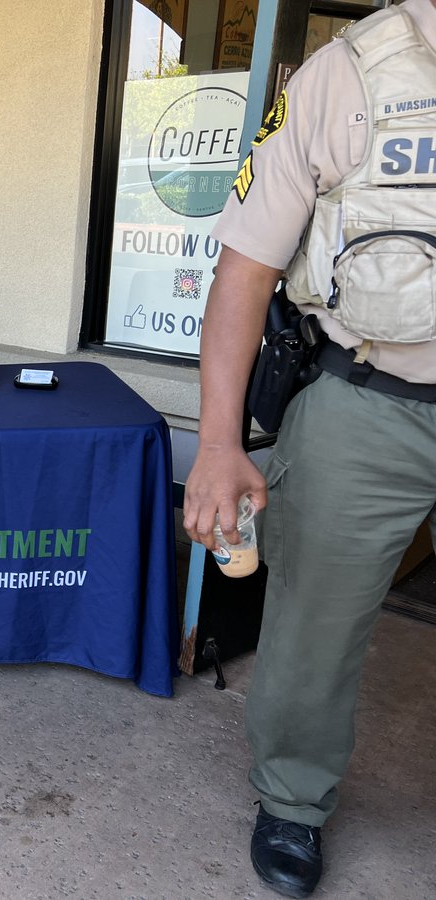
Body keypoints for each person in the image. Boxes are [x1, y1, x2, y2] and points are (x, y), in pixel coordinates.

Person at [183, 1, 436, 896]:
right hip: (372, 398)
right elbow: (245, 268)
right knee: (314, 626)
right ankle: (292, 799)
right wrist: (218, 441)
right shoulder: (356, 71)